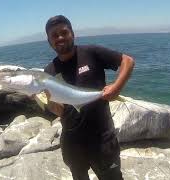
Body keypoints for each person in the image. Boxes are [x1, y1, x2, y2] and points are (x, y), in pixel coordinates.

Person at [43, 15, 135, 180]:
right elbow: (58, 111)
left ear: (72, 33)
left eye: (64, 32)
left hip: (102, 139)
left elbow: (127, 61)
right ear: (49, 41)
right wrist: (47, 100)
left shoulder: (91, 52)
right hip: (72, 142)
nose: (60, 38)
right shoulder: (49, 71)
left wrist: (116, 87)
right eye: (54, 35)